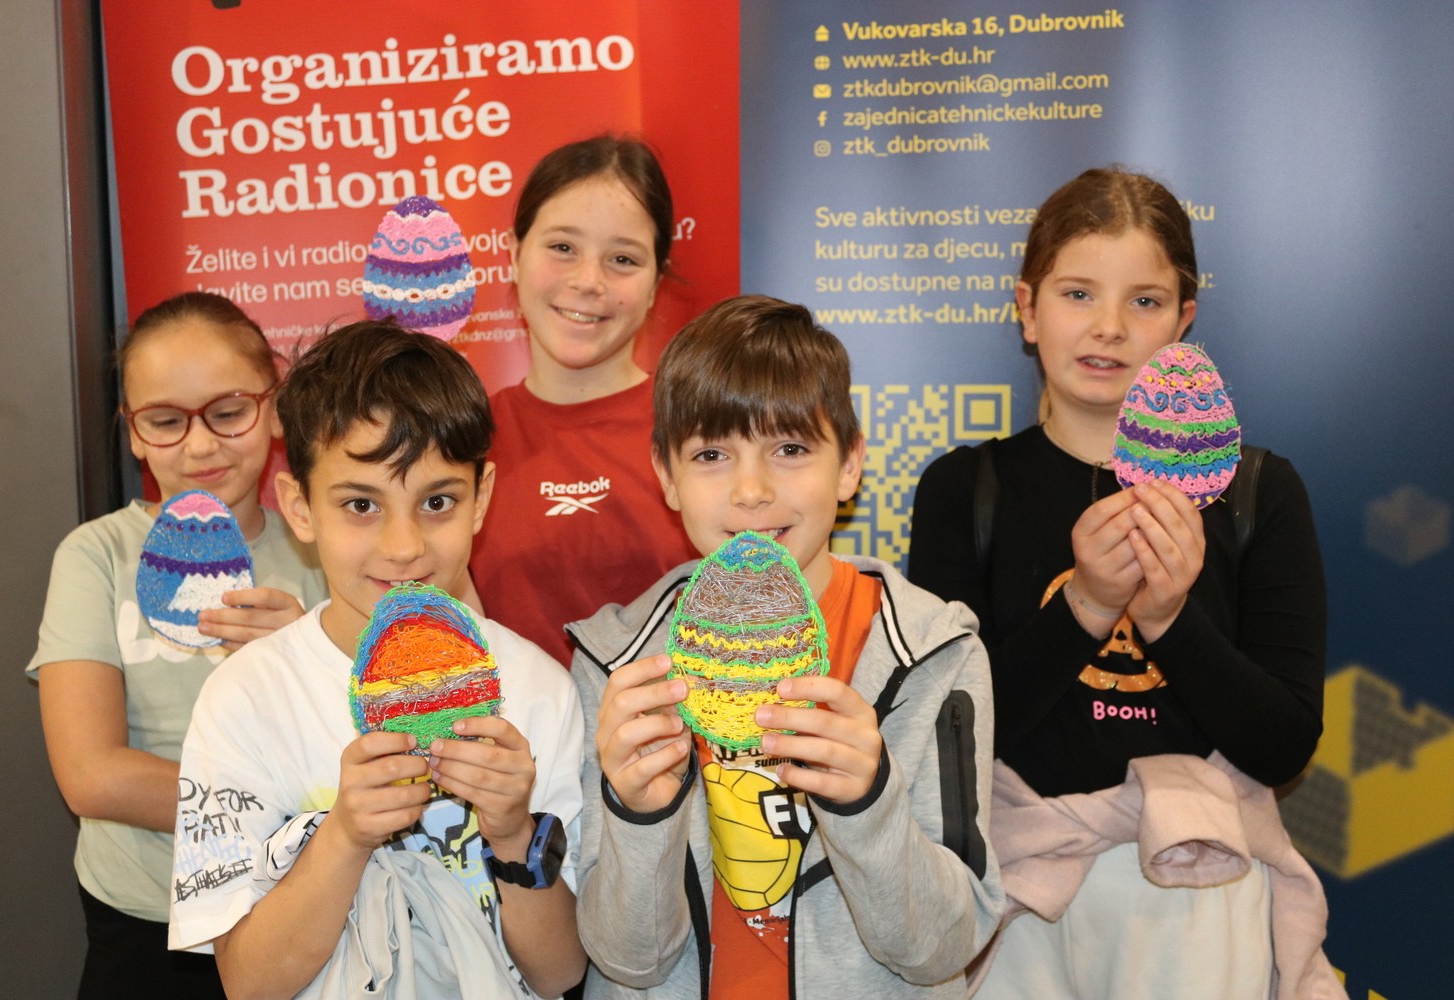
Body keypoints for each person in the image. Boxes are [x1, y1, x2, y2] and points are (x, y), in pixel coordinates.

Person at [908, 168, 1340, 997]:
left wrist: (1170, 620)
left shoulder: (1258, 492)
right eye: (1078, 294)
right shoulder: (966, 490)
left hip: (1200, 887)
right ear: (1027, 309)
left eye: (1145, 301)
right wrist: (1085, 607)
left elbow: (1283, 744)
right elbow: (947, 736)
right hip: (1015, 893)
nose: (1108, 327)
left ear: (1184, 323)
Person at [569, 295, 1003, 999]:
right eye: (712, 455)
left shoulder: (934, 653)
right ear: (667, 476)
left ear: (850, 464)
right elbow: (629, 962)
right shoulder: (621, 666)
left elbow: (943, 948)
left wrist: (869, 801)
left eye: (791, 449)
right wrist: (640, 815)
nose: (751, 491)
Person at [167, 319, 586, 999]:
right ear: (300, 508)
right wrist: (344, 835)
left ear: (481, 499)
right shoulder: (245, 696)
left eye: (438, 501)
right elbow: (247, 983)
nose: (403, 546)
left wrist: (513, 834)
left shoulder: (538, 687)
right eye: (361, 504)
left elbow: (562, 971)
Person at [28, 291, 327, 999]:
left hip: (301, 913)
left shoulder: (326, 553)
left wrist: (301, 664)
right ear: (133, 432)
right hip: (144, 921)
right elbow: (91, 775)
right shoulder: (97, 555)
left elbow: (370, 746)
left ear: (274, 406)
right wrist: (291, 806)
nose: (200, 446)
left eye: (228, 412)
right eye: (165, 421)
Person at [462, 134, 695, 664]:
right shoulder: (464, 439)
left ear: (655, 282)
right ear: (515, 255)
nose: (589, 281)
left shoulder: (700, 431)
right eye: (563, 248)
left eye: (623, 259)